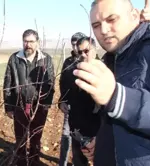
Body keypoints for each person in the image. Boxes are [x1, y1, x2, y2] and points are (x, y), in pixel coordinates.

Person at [73, 0, 150, 165]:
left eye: (111, 19)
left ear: (134, 15)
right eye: (96, 25)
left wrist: (117, 97)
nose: (103, 30)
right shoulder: (113, 56)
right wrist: (104, 142)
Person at [3, 29, 55, 166]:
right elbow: (8, 82)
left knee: (36, 138)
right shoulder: (14, 59)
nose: (28, 45)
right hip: (19, 106)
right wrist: (8, 106)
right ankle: (20, 162)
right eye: (26, 41)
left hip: (39, 106)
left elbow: (50, 84)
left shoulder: (46, 59)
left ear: (37, 43)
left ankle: (34, 162)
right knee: (20, 139)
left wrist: (45, 105)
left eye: (31, 41)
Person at [59, 36, 101, 166]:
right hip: (76, 123)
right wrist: (62, 101)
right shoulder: (73, 68)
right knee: (78, 159)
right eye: (80, 52)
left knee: (100, 159)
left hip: (97, 126)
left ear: (95, 49)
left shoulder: (104, 70)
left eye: (86, 51)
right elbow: (64, 85)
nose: (83, 55)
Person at [58, 32, 87, 166]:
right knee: (66, 136)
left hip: (87, 110)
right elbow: (62, 82)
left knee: (84, 139)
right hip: (70, 106)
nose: (75, 47)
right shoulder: (68, 62)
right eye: (73, 44)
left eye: (77, 44)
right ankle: (62, 163)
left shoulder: (91, 61)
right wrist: (62, 100)